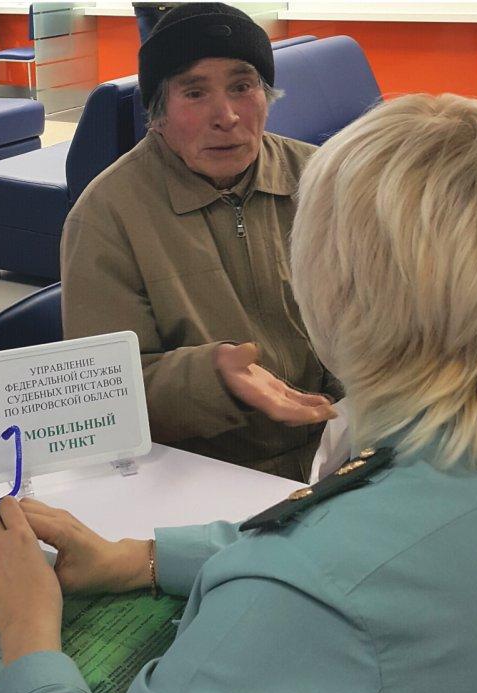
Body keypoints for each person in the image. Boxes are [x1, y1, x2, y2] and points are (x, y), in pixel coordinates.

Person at [0, 93, 477, 693]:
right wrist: (146, 558)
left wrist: (26, 628)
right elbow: (397, 536)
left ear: (332, 293)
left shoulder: (312, 603)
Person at [61, 3, 341, 483]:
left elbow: (381, 318)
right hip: (205, 471)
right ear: (157, 115)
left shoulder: (324, 179)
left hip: (341, 448)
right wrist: (214, 378)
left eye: (242, 86)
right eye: (194, 92)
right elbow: (101, 394)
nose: (227, 116)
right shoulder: (107, 215)